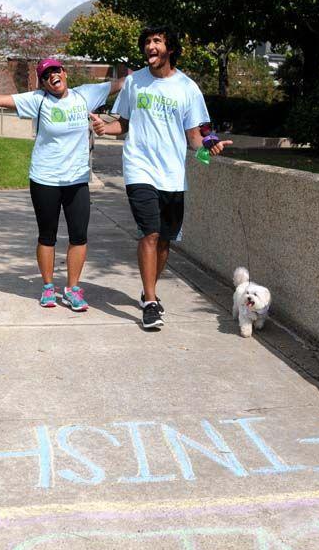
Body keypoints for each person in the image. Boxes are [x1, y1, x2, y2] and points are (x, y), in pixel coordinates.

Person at [0, 59, 124, 310]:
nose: (52, 76)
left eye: (55, 71)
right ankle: (48, 287)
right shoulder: (37, 100)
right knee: (47, 236)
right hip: (45, 179)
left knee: (79, 236)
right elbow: (0, 100)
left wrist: (156, 66)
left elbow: (121, 83)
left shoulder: (86, 95)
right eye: (46, 74)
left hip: (77, 180)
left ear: (64, 73)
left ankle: (72, 289)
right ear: (43, 82)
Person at [91, 25, 231, 330]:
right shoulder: (134, 83)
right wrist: (105, 127)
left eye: (157, 41)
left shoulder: (187, 88)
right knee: (150, 233)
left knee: (165, 241)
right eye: (147, 43)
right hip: (139, 168)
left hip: (172, 174)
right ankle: (152, 302)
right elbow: (123, 125)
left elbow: (195, 135)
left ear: (170, 48)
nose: (150, 47)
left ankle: (147, 290)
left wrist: (210, 144)